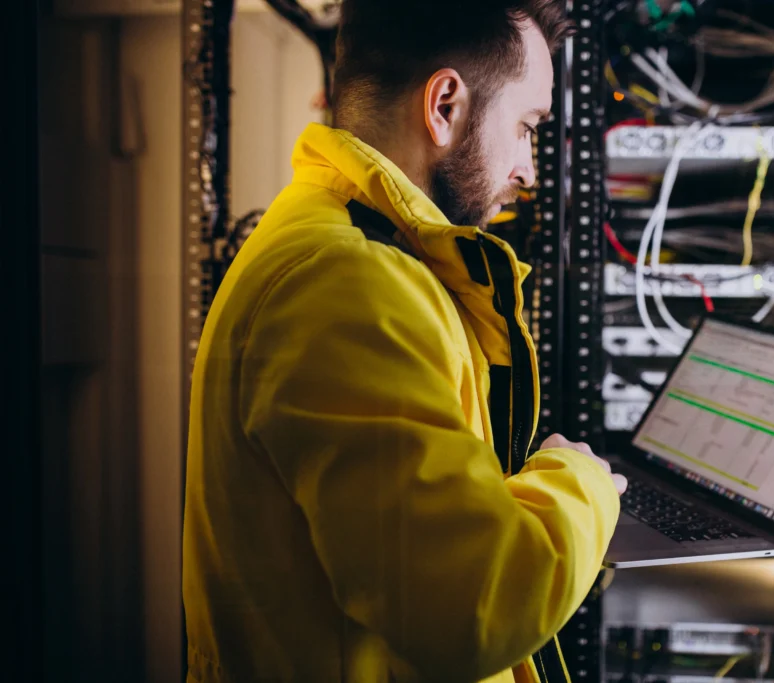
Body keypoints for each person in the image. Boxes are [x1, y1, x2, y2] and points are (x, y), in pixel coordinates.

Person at [182, 2, 628, 682]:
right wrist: (583, 481)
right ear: (445, 104)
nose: (530, 170)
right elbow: (472, 605)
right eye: (526, 127)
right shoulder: (345, 283)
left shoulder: (350, 245)